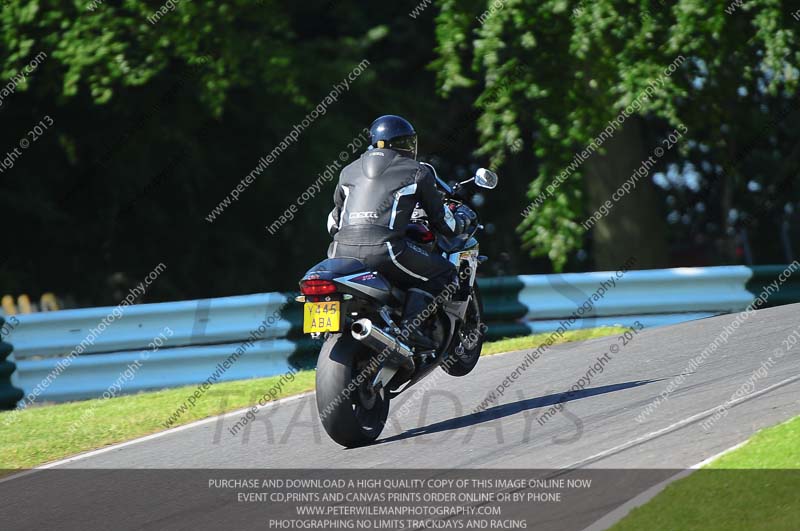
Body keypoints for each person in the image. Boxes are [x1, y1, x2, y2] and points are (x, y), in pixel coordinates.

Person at [326, 115, 471, 349]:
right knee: (444, 272)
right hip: (386, 250)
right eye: (405, 142)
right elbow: (445, 224)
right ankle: (412, 329)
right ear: (401, 145)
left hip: (339, 253)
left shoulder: (348, 171)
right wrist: (460, 222)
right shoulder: (417, 172)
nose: (408, 147)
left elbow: (334, 221)